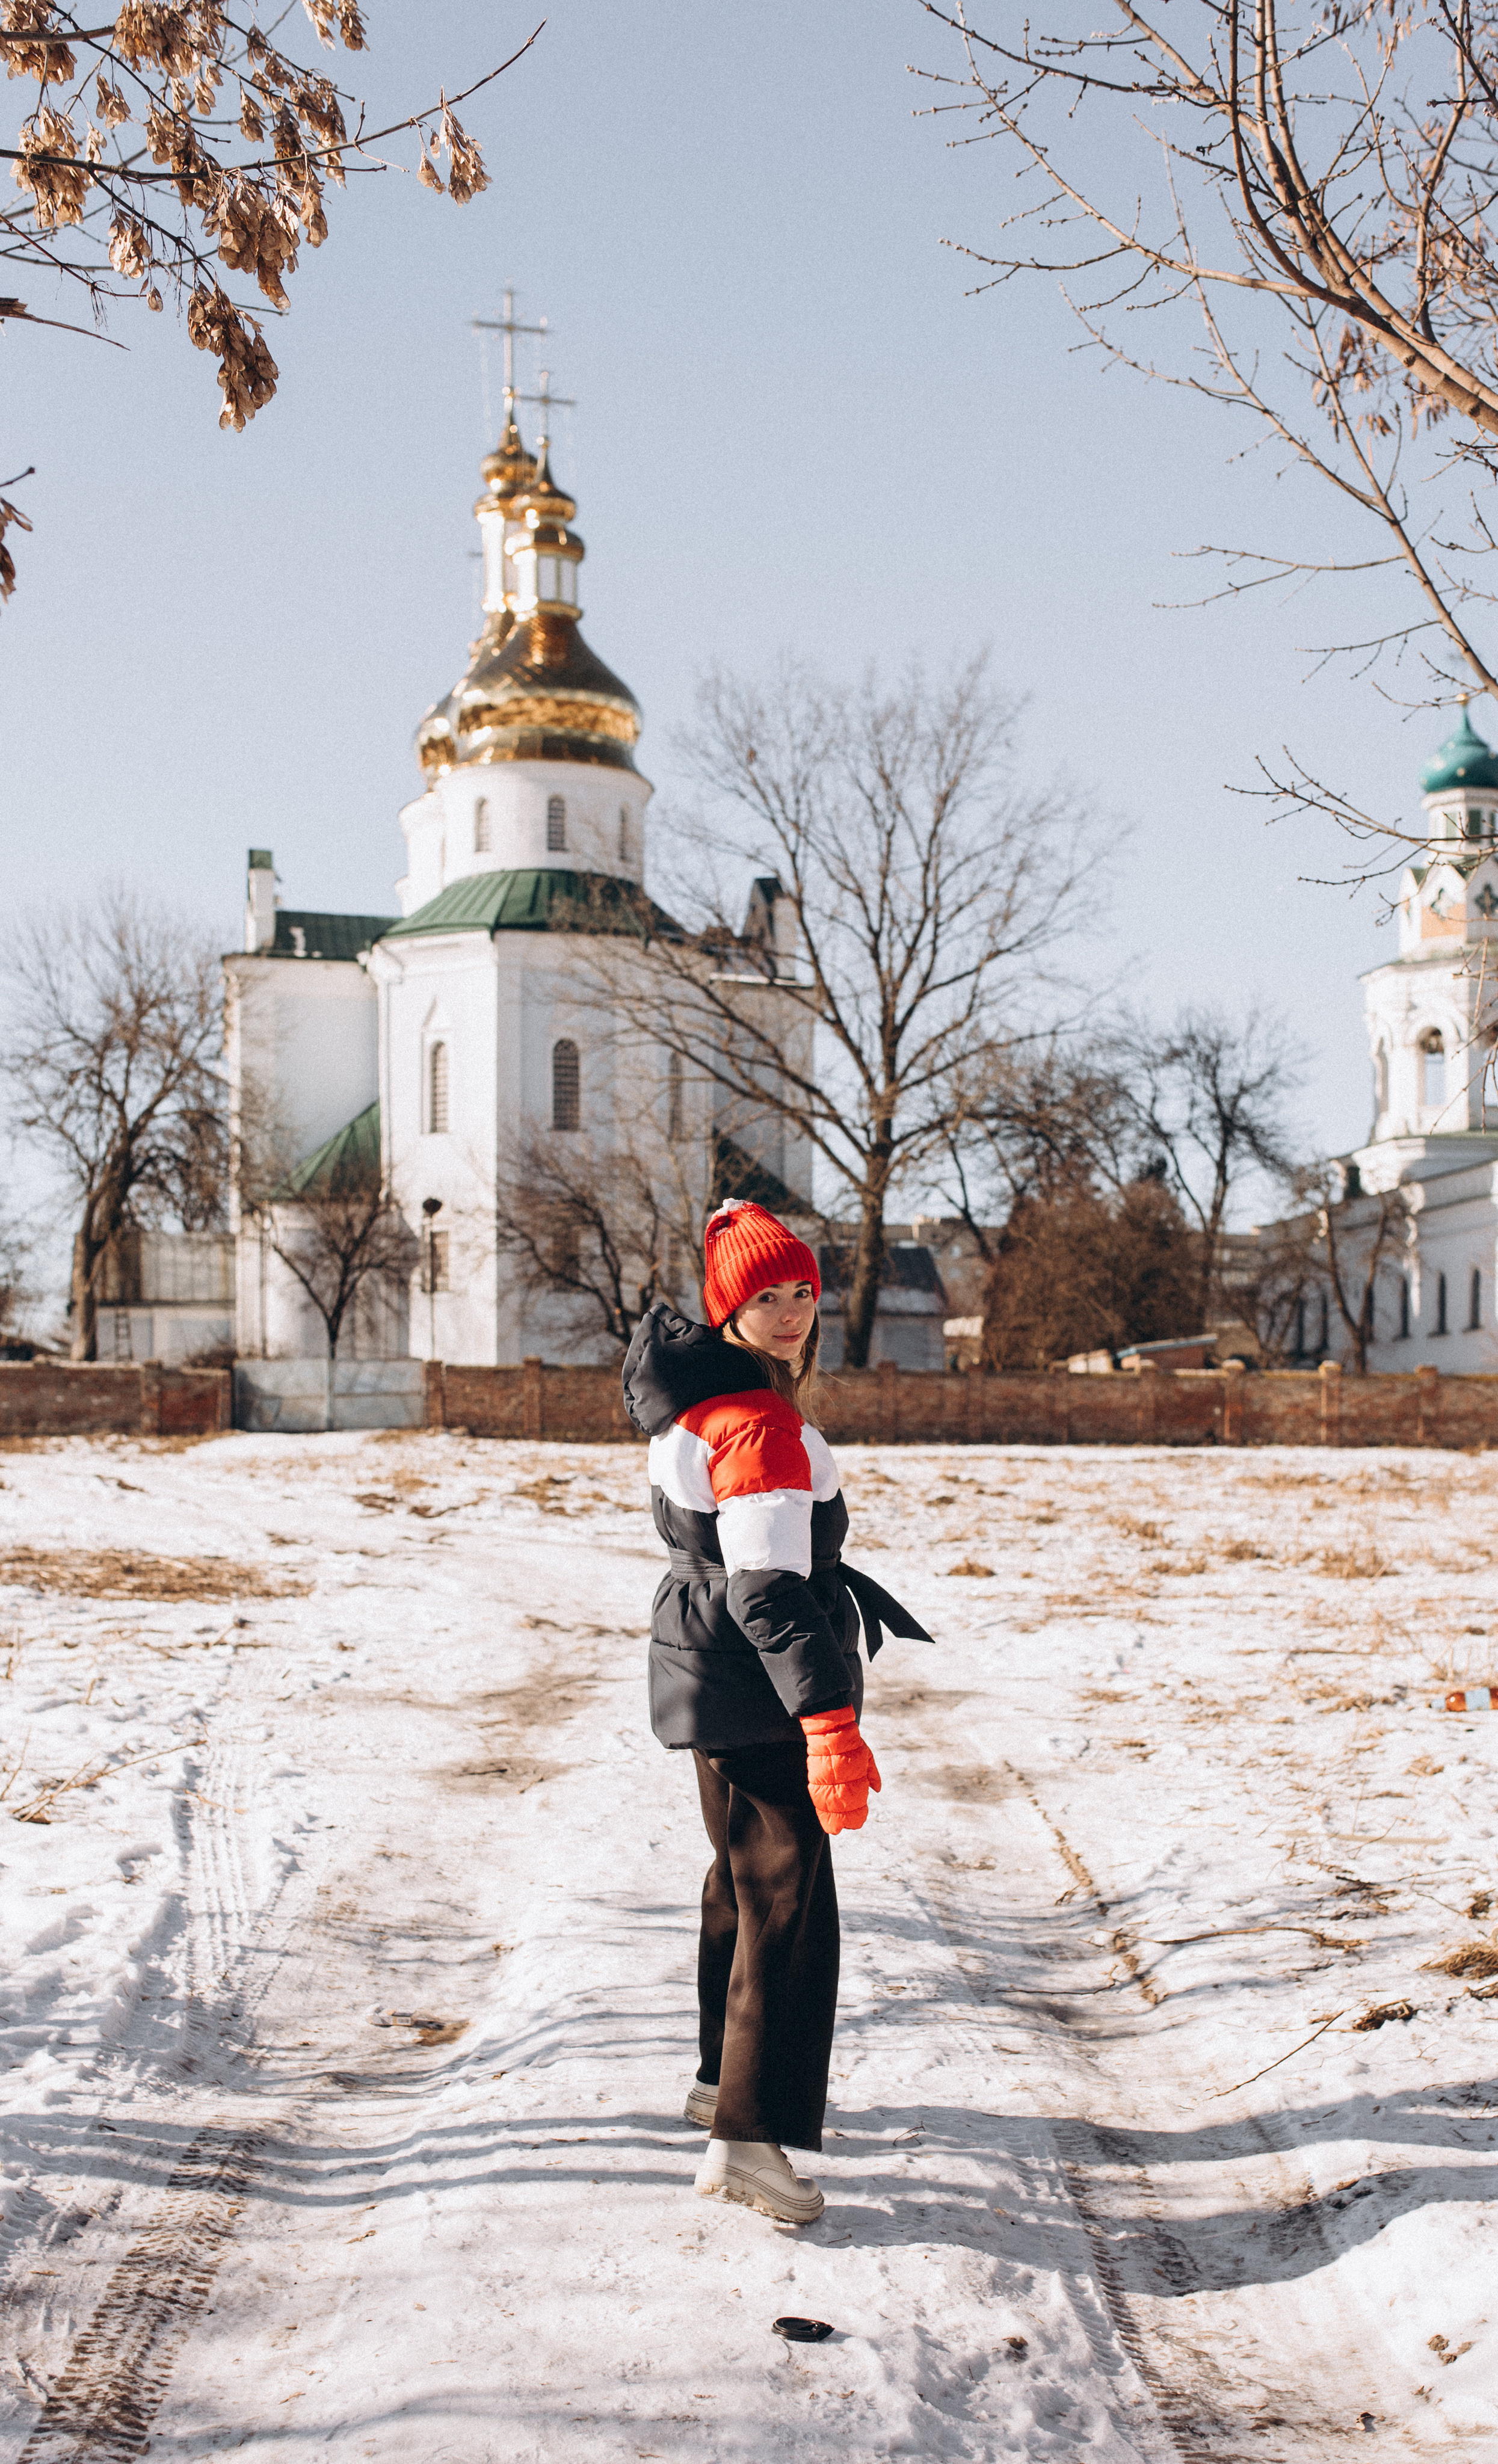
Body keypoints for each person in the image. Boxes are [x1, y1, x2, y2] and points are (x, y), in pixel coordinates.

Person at [621, 1198, 929, 2225]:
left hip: (710, 1673)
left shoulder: (695, 1403)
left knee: (741, 1880)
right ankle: (748, 2141)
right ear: (728, 1308)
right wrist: (827, 1719)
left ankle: (722, 2079)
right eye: (767, 1295)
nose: (792, 1311)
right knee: (789, 1905)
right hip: (757, 1682)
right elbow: (765, 1589)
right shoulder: (758, 1420)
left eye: (803, 1291)